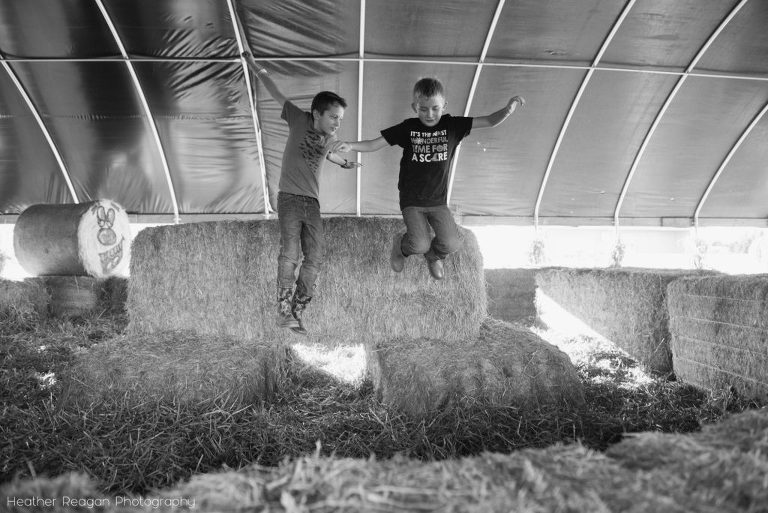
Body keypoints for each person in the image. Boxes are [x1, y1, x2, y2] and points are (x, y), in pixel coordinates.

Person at [337, 77, 525, 279]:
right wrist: (351, 145)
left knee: (452, 243)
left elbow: (488, 121)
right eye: (423, 109)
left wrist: (507, 110)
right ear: (414, 107)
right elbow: (374, 144)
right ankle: (400, 247)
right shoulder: (408, 128)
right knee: (419, 243)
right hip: (412, 199)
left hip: (437, 200)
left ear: (444, 105)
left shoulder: (453, 126)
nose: (429, 114)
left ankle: (434, 256)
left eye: (435, 108)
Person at [242, 51, 360, 335]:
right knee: (290, 252)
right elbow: (274, 91)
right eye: (333, 117)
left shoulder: (330, 138)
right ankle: (282, 307)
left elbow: (330, 154)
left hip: (313, 203)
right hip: (290, 199)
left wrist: (346, 163)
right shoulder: (298, 118)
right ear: (317, 113)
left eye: (341, 119)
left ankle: (298, 308)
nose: (337, 123)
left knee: (315, 257)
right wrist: (256, 67)